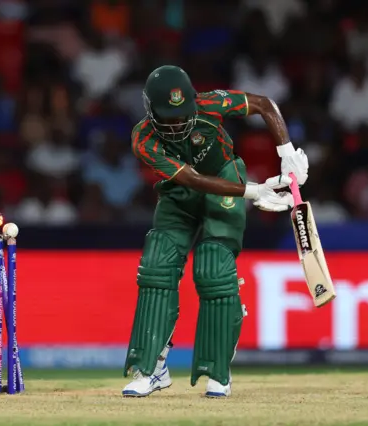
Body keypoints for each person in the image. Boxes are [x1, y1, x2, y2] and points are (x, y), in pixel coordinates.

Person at [122, 65, 308, 398]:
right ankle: (151, 368)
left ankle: (218, 370)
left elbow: (265, 104)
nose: (178, 124)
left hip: (224, 175)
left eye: (183, 115)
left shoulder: (210, 104)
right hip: (180, 192)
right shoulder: (143, 138)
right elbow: (191, 179)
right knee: (156, 267)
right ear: (150, 111)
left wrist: (287, 152)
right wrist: (254, 192)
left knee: (213, 267)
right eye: (169, 117)